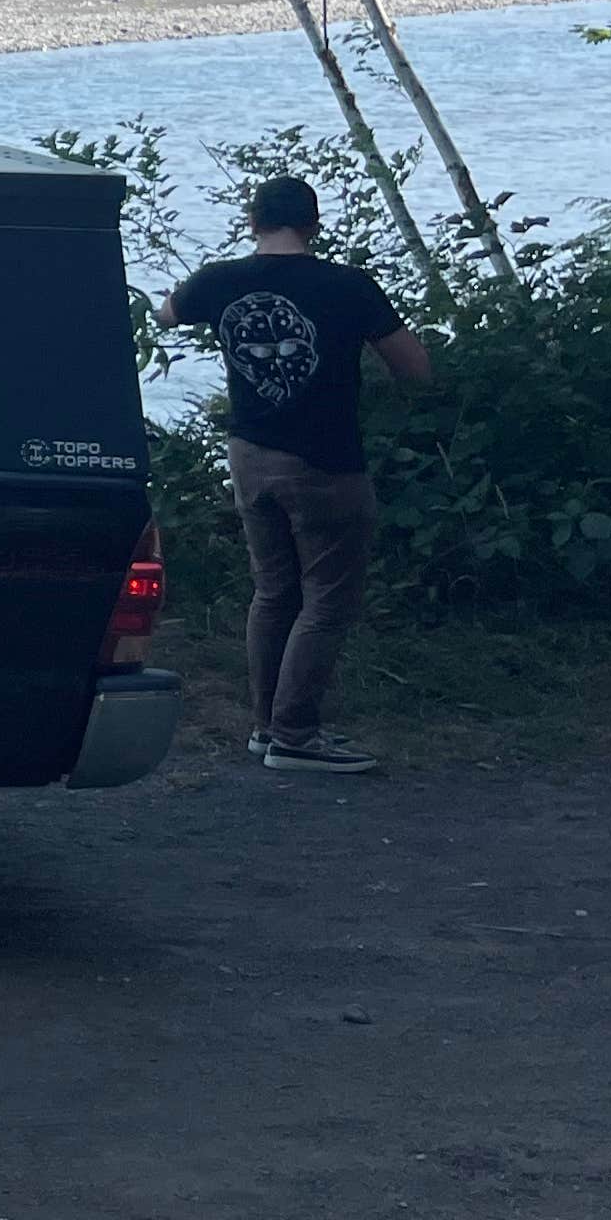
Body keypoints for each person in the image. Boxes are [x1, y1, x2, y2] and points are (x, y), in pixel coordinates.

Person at [165, 177, 432, 774]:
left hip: (250, 455)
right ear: (314, 224)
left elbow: (167, 314)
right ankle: (296, 734)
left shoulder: (219, 280)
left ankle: (266, 727)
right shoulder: (347, 287)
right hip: (325, 460)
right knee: (328, 600)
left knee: (274, 590)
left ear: (252, 221)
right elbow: (415, 369)